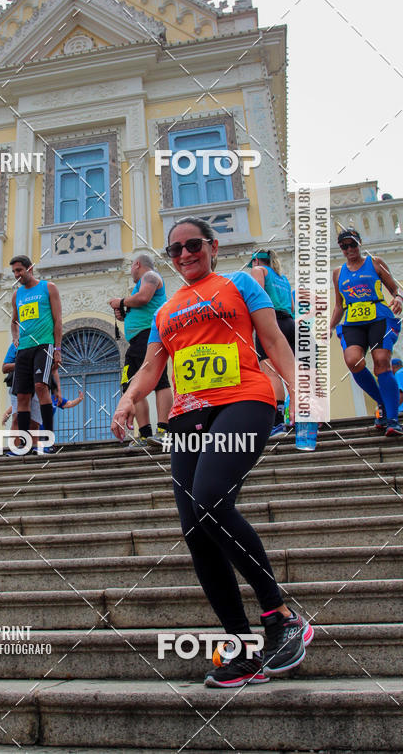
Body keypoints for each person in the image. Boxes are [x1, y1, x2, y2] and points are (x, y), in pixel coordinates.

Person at [111, 217, 313, 688]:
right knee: (195, 528)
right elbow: (150, 368)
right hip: (187, 416)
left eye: (194, 245)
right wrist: (126, 399)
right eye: (175, 249)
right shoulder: (166, 310)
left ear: (213, 246)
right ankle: (241, 648)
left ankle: (281, 617)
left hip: (245, 399)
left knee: (210, 500)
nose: (185, 254)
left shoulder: (240, 283)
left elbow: (275, 339)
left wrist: (302, 389)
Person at [329, 228, 403, 436]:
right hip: (353, 321)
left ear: (360, 244)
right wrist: (330, 326)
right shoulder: (338, 273)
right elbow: (339, 305)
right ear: (341, 249)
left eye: (353, 244)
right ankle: (383, 402)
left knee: (381, 361)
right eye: (345, 246)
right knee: (353, 361)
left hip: (379, 317)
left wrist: (397, 299)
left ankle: (392, 420)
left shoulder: (375, 262)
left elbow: (395, 289)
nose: (349, 249)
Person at [109, 253, 172, 446]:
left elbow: (144, 297)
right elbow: (140, 303)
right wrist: (124, 314)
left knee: (160, 381)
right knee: (130, 385)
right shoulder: (143, 281)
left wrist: (121, 301)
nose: (131, 272)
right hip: (137, 340)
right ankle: (145, 433)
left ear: (137, 264)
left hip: (150, 335)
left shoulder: (151, 276)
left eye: (131, 267)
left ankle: (164, 430)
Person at [10, 255, 62, 454]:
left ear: (30, 268)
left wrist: (57, 349)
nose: (17, 275)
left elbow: (58, 320)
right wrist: (15, 337)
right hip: (23, 348)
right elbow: (14, 321)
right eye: (14, 272)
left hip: (44, 345)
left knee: (41, 386)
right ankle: (24, 444)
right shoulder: (17, 295)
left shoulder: (48, 288)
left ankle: (48, 441)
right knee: (22, 395)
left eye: (19, 270)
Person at [248, 250, 295, 438]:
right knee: (291, 372)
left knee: (271, 372)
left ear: (257, 261)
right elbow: (292, 306)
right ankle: (303, 416)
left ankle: (278, 421)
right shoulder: (282, 277)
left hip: (271, 323)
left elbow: (256, 294)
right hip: (291, 324)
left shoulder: (259, 270)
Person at [1, 340, 42, 455]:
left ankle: (34, 449)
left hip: (38, 385)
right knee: (17, 418)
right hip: (19, 385)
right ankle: (16, 450)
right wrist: (23, 364)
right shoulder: (16, 344)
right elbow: (5, 368)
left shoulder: (46, 340)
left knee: (35, 421)